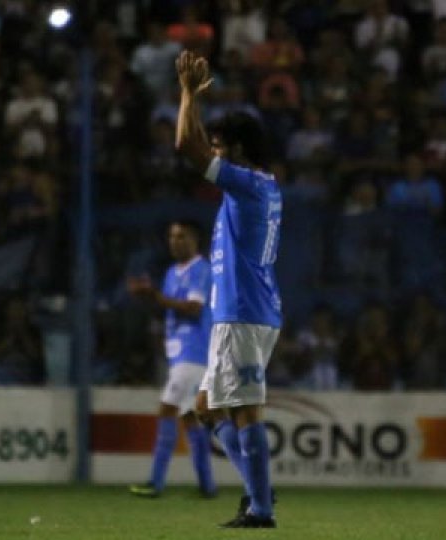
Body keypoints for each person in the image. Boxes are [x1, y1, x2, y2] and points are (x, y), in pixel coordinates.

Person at [174, 51, 282, 528]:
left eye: (220, 144)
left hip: (242, 312)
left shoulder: (249, 185)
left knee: (243, 411)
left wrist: (186, 95)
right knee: (206, 409)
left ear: (237, 149)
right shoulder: (257, 187)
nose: (213, 151)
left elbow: (186, 146)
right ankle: (260, 490)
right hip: (241, 312)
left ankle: (260, 508)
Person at [125, 221, 216, 499]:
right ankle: (207, 485)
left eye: (182, 236)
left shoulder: (201, 269)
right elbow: (168, 306)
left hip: (194, 352)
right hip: (179, 354)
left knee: (167, 411)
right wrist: (149, 297)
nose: (175, 241)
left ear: (195, 240)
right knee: (189, 419)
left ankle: (156, 482)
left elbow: (193, 308)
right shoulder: (170, 273)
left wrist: (154, 295)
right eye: (171, 237)